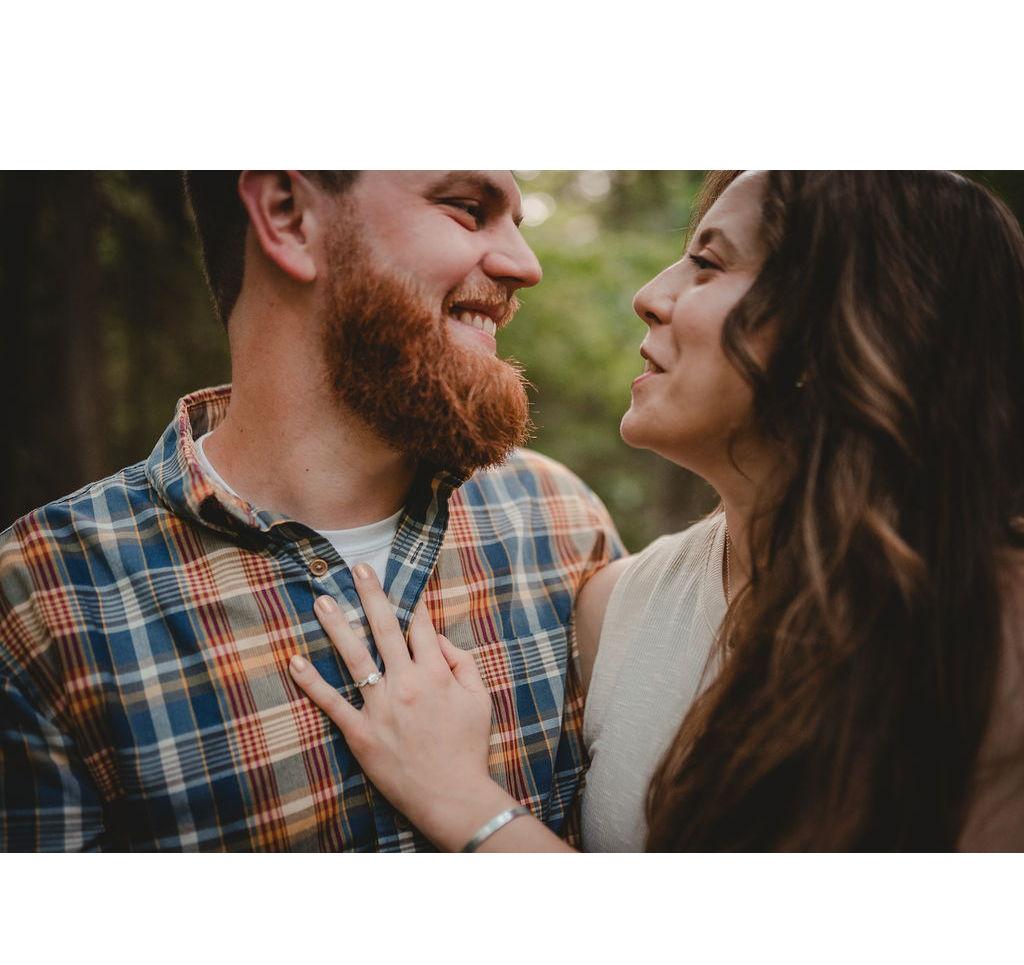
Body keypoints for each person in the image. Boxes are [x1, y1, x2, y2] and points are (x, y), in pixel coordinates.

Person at [288, 170, 1024, 852]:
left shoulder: (997, 640)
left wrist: (460, 800)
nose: (649, 294)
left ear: (846, 324)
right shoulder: (616, 609)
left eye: (708, 263)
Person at [0, 171, 623, 851]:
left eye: (517, 225)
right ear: (288, 214)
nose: (525, 266)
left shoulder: (562, 522)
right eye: (468, 210)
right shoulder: (43, 600)